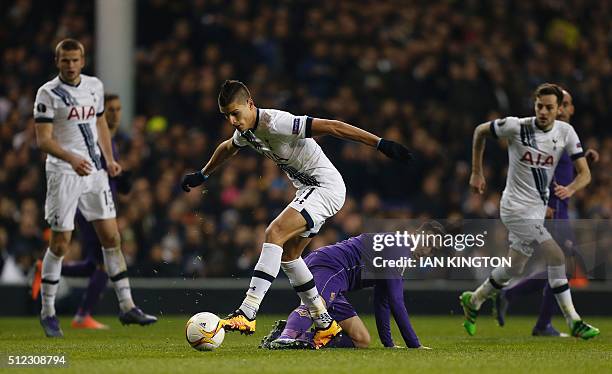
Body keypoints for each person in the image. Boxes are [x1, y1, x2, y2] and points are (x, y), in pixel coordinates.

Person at [181, 80, 413, 347]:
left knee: (274, 233)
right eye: (227, 116)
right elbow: (227, 147)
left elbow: (333, 126)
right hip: (309, 189)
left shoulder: (276, 122)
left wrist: (380, 143)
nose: (232, 120)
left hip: (325, 187)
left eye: (235, 113)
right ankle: (324, 322)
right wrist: (203, 174)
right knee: (290, 256)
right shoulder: (246, 131)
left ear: (250, 104)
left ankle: (248, 310)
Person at [33, 39, 156, 337]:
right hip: (64, 172)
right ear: (57, 61)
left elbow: (100, 123)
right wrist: (72, 157)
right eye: (65, 60)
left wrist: (110, 159)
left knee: (112, 237)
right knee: (61, 243)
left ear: (83, 60)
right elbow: (44, 140)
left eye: (75, 60)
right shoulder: (48, 93)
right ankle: (48, 312)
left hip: (94, 172)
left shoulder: (94, 86)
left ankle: (127, 306)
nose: (71, 65)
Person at [460, 83, 599, 340]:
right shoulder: (517, 126)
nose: (543, 112)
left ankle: (475, 299)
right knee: (557, 256)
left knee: (514, 267)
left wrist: (570, 189)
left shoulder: (566, 132)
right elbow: (480, 131)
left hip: (537, 210)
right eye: (539, 106)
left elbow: (585, 173)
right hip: (513, 208)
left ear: (559, 110)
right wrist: (477, 171)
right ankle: (574, 321)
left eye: (549, 107)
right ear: (534, 105)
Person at [259, 222, 446, 350]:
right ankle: (288, 335)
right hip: (330, 266)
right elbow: (397, 303)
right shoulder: (398, 247)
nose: (428, 251)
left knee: (361, 339)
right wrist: (415, 345)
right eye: (428, 242)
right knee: (318, 305)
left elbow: (383, 301)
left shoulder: (398, 253)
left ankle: (294, 336)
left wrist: (388, 344)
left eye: (433, 249)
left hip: (337, 279)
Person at [31, 94, 132, 330]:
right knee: (104, 264)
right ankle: (82, 315)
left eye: (118, 109)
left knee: (94, 263)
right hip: (89, 210)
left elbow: (108, 177)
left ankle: (43, 269)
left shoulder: (112, 141)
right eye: (110, 110)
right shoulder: (94, 140)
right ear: (98, 113)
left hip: (104, 207)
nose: (115, 114)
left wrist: (122, 181)